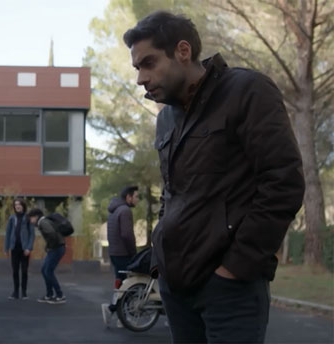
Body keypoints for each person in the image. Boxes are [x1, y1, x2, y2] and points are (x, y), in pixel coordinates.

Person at [123, 11, 305, 343]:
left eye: (148, 63)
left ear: (182, 51)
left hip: (230, 289)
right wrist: (161, 259)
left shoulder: (246, 91)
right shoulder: (166, 121)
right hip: (176, 286)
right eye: (137, 68)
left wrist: (235, 268)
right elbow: (172, 195)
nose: (140, 78)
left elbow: (283, 183)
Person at [102, 186, 139, 326]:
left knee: (122, 283)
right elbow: (127, 235)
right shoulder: (125, 211)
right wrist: (133, 253)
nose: (137, 200)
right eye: (136, 196)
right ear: (128, 197)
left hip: (114, 252)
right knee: (129, 285)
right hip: (123, 254)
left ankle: (119, 315)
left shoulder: (114, 210)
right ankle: (114, 311)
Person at [27, 208, 66, 305]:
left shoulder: (43, 222)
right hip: (57, 248)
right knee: (45, 270)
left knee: (48, 271)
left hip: (56, 248)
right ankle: (49, 294)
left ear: (35, 217)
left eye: (31, 218)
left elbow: (52, 234)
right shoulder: (44, 221)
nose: (30, 221)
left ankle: (60, 295)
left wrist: (50, 246)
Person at [4, 198, 35, 300]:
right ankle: (16, 292)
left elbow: (32, 234)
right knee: (15, 271)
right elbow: (8, 233)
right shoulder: (12, 218)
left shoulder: (27, 218)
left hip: (24, 249)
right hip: (14, 248)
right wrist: (6, 248)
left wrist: (29, 248)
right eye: (16, 205)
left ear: (23, 206)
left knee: (24, 271)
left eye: (19, 204)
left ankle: (24, 292)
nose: (17, 206)